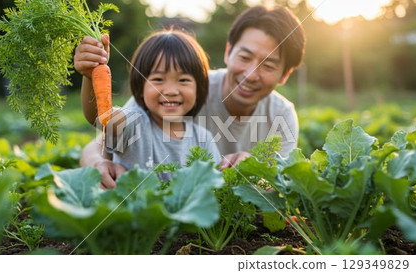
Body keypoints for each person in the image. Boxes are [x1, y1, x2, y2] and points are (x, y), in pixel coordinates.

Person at [76, 5, 306, 188]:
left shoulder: (281, 114)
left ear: (285, 75)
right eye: (245, 57)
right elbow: (102, 126)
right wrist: (91, 76)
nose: (251, 74)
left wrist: (253, 172)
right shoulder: (155, 99)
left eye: (268, 65)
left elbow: (281, 185)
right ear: (228, 51)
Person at [76, 29, 221, 186]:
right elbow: (100, 117)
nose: (170, 91)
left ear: (198, 89)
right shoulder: (134, 123)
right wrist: (92, 76)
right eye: (158, 79)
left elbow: (215, 188)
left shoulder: (204, 139)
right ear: (141, 87)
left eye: (184, 80)